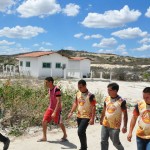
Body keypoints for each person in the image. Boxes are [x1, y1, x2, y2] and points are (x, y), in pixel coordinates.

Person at [68, 79, 96, 150]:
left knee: (80, 131)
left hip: (87, 116)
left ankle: (83, 148)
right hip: (79, 115)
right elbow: (75, 103)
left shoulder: (91, 95)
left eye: (80, 87)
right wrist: (71, 112)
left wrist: (92, 118)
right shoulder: (78, 93)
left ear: (85, 86)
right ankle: (84, 147)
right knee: (81, 132)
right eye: (78, 87)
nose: (79, 88)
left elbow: (93, 107)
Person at [38, 77, 67, 142]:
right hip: (50, 108)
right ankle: (44, 137)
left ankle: (65, 135)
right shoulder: (49, 89)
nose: (45, 83)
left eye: (46, 82)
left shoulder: (56, 89)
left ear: (50, 82)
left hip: (57, 109)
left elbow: (59, 101)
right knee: (44, 121)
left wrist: (54, 112)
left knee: (59, 123)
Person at [100, 82, 128, 150]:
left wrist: (125, 126)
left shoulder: (121, 101)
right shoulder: (107, 98)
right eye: (108, 90)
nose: (108, 91)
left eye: (110, 90)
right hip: (105, 124)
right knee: (103, 141)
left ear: (115, 91)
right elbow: (104, 109)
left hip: (115, 126)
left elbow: (125, 114)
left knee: (115, 143)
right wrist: (101, 118)